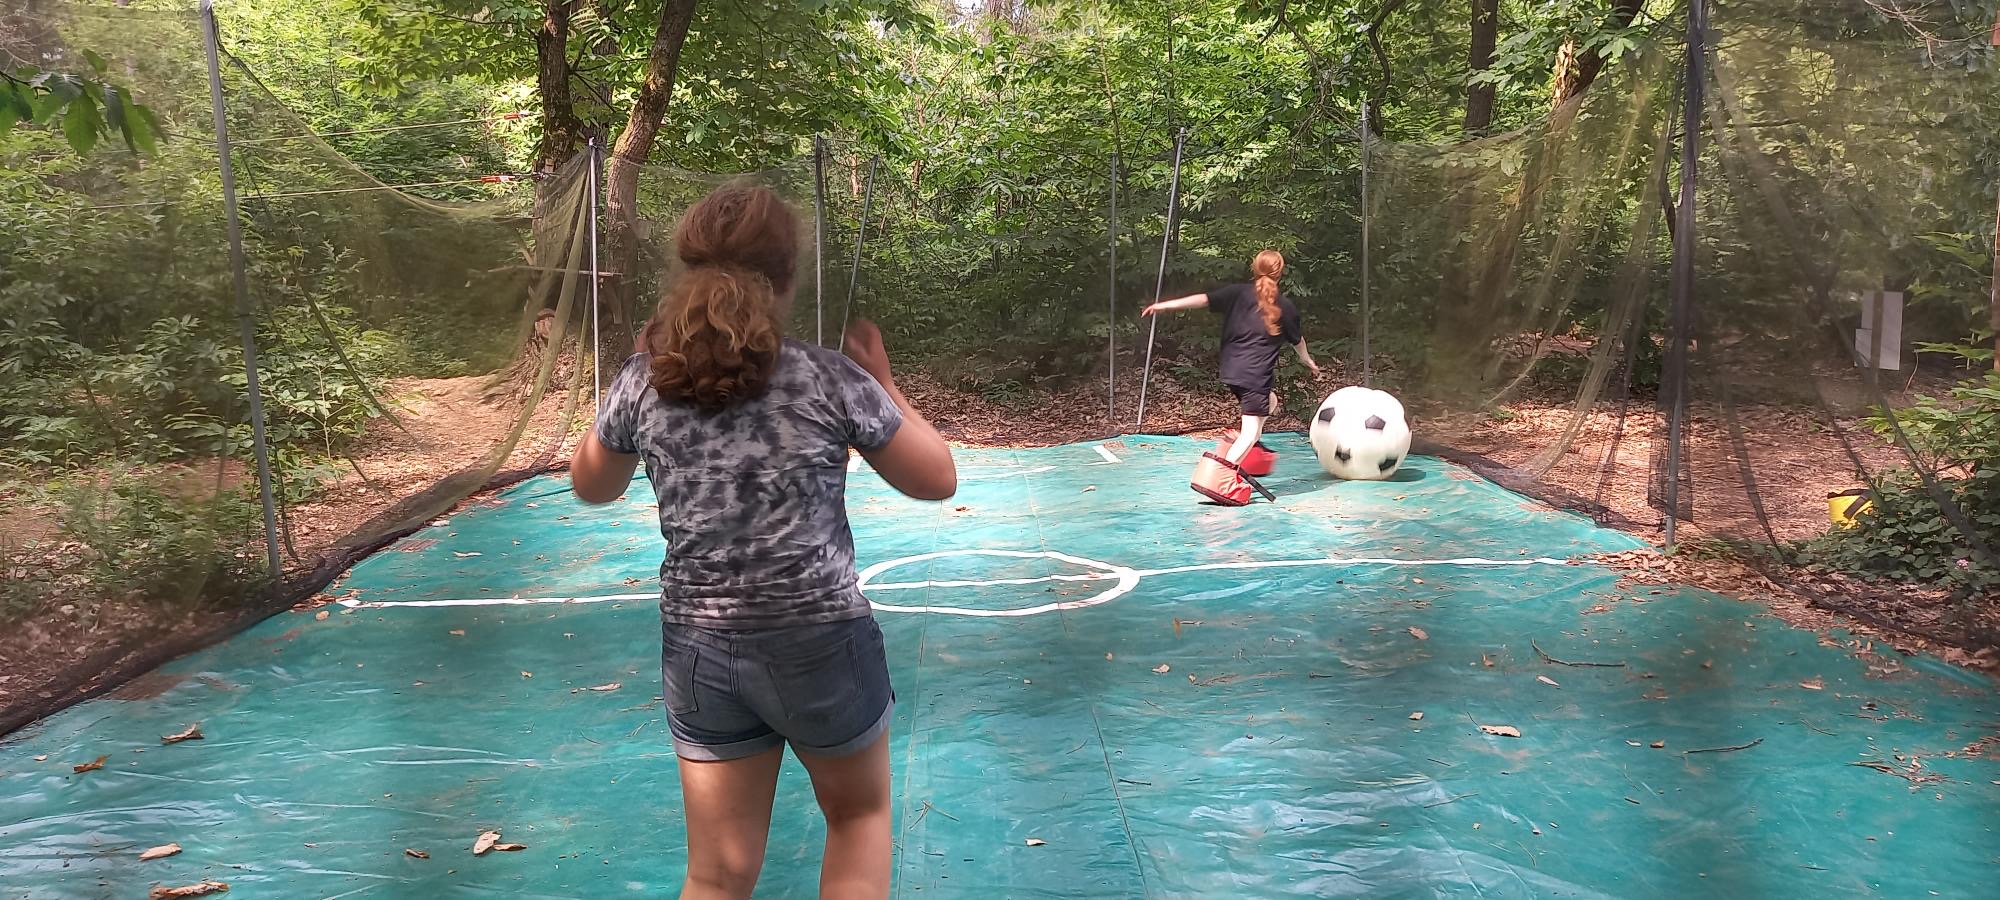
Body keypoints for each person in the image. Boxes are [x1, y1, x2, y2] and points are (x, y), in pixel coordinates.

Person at [567, 183, 956, 900]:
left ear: (686, 270)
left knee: (717, 875)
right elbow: (937, 478)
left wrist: (630, 377)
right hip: (820, 639)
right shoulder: (828, 377)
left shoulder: (643, 382)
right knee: (858, 818)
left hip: (700, 648)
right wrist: (884, 382)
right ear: (785, 278)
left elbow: (592, 485)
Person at [1142, 249, 1323, 465]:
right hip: (1255, 376)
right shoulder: (1285, 306)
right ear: (1280, 273)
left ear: (1255, 269)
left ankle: (1243, 447)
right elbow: (1298, 341)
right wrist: (1306, 359)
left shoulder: (1237, 293)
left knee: (1270, 401)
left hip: (1231, 371)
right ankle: (1222, 473)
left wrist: (1163, 305)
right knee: (1251, 432)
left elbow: (1202, 299)